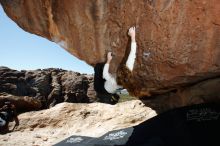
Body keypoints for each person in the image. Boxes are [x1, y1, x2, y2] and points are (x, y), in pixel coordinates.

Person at [94, 26, 137, 104]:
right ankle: (111, 98)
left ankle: (107, 98)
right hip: (110, 87)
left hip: (101, 88)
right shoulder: (128, 70)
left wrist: (108, 60)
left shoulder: (113, 80)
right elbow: (132, 53)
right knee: (106, 78)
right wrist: (133, 37)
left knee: (98, 67)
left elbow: (105, 74)